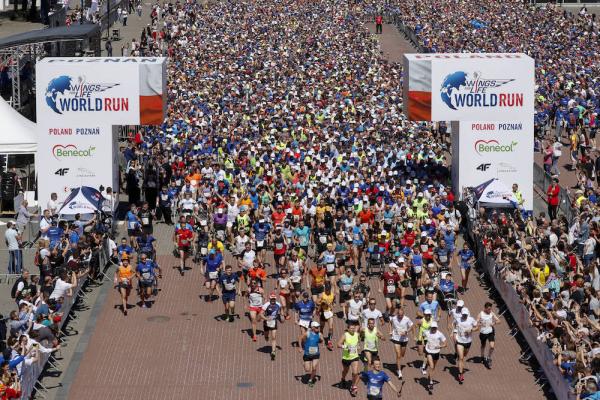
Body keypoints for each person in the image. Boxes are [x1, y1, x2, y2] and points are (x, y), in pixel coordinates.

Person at [338, 320, 362, 396]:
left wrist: (358, 346)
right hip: (346, 357)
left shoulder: (357, 334)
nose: (352, 329)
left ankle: (353, 386)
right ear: (348, 329)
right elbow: (338, 344)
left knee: (355, 372)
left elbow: (358, 343)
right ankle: (343, 379)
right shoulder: (345, 335)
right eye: (351, 328)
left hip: (354, 356)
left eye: (353, 328)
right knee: (345, 370)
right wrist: (345, 346)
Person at [389, 305, 413, 379]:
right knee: (398, 355)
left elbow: (411, 326)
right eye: (399, 315)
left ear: (404, 314)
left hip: (404, 339)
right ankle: (399, 371)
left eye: (401, 315)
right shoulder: (394, 318)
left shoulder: (407, 319)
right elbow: (390, 322)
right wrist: (390, 330)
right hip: (396, 338)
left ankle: (398, 363)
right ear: (397, 314)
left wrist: (406, 332)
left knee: (402, 354)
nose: (400, 317)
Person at [455, 307, 478, 383]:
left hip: (468, 341)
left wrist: (471, 330)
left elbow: (477, 327)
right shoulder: (458, 319)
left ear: (467, 314)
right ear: (461, 314)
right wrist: (454, 333)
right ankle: (461, 374)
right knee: (461, 358)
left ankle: (460, 360)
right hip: (459, 341)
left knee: (464, 356)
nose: (464, 316)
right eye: (463, 314)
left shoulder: (471, 319)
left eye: (465, 314)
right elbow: (454, 325)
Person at [423, 321, 447, 393]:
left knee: (433, 368)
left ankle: (430, 377)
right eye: (432, 327)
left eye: (435, 328)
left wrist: (440, 346)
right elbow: (423, 335)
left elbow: (445, 344)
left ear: (436, 328)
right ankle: (430, 382)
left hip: (436, 352)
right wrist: (424, 343)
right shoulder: (427, 332)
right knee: (431, 366)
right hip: (429, 351)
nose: (433, 329)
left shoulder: (440, 334)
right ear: (430, 327)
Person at [476, 302, 500, 369]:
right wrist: (480, 324)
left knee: (492, 346)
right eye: (488, 309)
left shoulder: (491, 313)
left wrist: (494, 323)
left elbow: (499, 320)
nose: (490, 310)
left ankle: (489, 358)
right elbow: (476, 323)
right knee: (483, 346)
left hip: (490, 332)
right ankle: (482, 356)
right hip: (483, 333)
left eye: (490, 309)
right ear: (485, 308)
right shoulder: (480, 314)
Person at [299, 321, 323, 387]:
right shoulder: (307, 333)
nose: (318, 328)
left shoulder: (319, 334)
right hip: (307, 354)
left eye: (318, 327)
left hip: (316, 354)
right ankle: (304, 364)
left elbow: (321, 340)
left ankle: (311, 380)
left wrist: (321, 340)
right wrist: (300, 347)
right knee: (307, 370)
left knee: (314, 367)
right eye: (316, 327)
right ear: (312, 328)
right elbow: (300, 338)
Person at [260, 293, 282, 360]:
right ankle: (266, 336)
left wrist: (281, 318)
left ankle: (273, 351)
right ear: (270, 299)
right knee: (266, 335)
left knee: (274, 337)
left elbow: (280, 312)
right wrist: (266, 319)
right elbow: (260, 314)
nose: (273, 300)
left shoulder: (278, 304)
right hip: (266, 322)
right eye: (272, 299)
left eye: (274, 299)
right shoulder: (266, 305)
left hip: (274, 322)